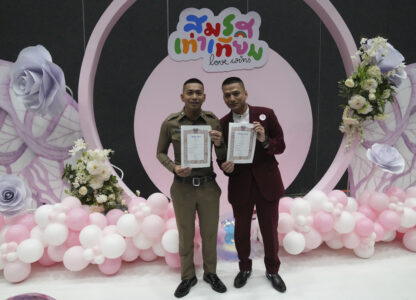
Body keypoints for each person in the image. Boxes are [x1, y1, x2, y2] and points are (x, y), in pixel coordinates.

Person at [156, 78, 227, 298]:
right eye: (190, 93)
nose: (194, 96)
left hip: (207, 186)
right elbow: (160, 153)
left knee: (209, 233)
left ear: (204, 96)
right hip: (183, 187)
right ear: (182, 96)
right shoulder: (171, 122)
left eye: (198, 93)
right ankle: (187, 276)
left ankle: (210, 273)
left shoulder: (213, 122)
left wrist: (219, 143)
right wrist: (174, 168)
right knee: (186, 234)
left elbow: (222, 157)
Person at [218, 77, 287, 292]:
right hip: (240, 182)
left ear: (245, 93)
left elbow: (281, 145)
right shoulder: (222, 123)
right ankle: (244, 268)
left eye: (236, 93)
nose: (232, 98)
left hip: (267, 181)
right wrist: (223, 166)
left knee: (269, 230)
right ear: (223, 98)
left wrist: (265, 139)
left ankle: (272, 270)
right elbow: (220, 155)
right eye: (227, 95)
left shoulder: (266, 114)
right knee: (241, 231)